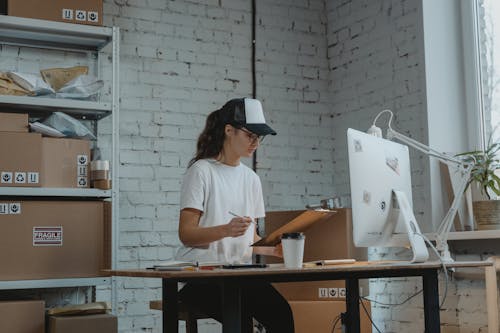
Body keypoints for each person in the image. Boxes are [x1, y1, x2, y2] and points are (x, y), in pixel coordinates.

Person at [175, 97, 294, 332]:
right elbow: (186, 234)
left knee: (282, 314)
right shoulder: (201, 171)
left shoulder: (251, 179)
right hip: (202, 276)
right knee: (239, 320)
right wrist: (225, 230)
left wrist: (271, 249)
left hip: (238, 273)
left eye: (260, 137)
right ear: (229, 130)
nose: (256, 142)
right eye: (250, 135)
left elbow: (249, 241)